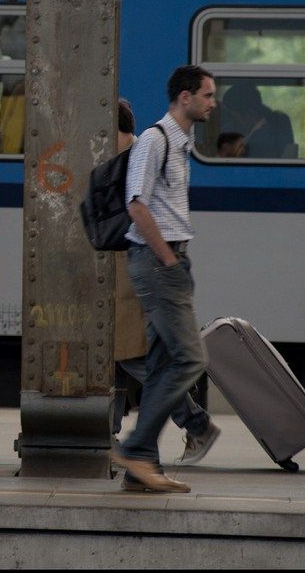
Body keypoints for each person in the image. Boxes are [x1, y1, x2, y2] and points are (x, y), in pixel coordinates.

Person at [109, 65, 217, 493]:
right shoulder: (155, 140)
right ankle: (137, 450)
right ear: (185, 97)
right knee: (191, 359)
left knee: (158, 364)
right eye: (208, 95)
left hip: (168, 259)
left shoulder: (180, 142)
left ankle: (142, 471)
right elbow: (137, 205)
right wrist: (170, 261)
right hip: (160, 262)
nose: (213, 102)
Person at [219, 82, 296, 159]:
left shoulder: (262, 136)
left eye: (236, 117)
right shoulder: (273, 123)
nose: (235, 122)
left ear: (250, 113)